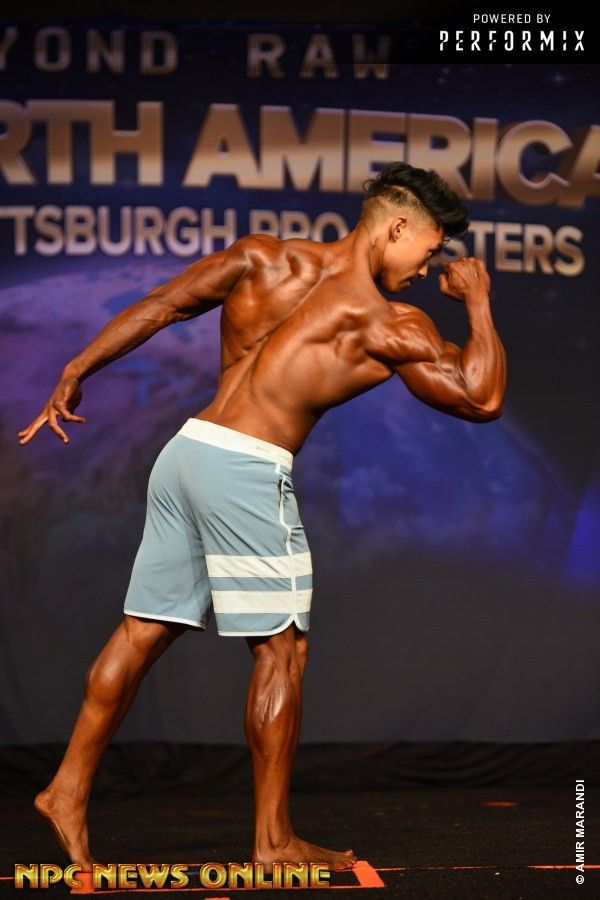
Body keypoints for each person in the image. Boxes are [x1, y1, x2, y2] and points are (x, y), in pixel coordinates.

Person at [17, 162, 507, 873]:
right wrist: (480, 302)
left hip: (185, 453)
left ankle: (64, 790)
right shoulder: (384, 322)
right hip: (246, 469)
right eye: (429, 250)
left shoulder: (264, 257)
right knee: (282, 653)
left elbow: (163, 304)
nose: (429, 268)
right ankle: (274, 841)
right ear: (396, 227)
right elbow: (481, 397)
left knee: (142, 630)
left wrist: (76, 368)